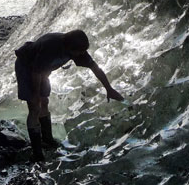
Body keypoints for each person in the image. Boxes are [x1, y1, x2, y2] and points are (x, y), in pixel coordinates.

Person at [14, 30, 124, 162]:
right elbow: (35, 72)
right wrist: (36, 95)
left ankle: (47, 140)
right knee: (34, 107)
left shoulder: (77, 48)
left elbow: (94, 67)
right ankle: (37, 153)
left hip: (43, 71)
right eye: (79, 52)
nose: (82, 55)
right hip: (27, 66)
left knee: (44, 102)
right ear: (69, 48)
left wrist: (109, 88)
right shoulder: (51, 47)